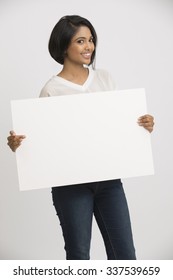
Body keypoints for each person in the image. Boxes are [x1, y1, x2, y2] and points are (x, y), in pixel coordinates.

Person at [7, 15, 154, 260]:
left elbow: (117, 127)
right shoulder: (51, 89)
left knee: (125, 255)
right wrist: (17, 145)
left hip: (109, 181)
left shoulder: (105, 78)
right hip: (70, 186)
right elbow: (42, 142)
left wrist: (142, 126)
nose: (89, 47)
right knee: (78, 255)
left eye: (91, 40)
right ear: (64, 46)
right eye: (81, 41)